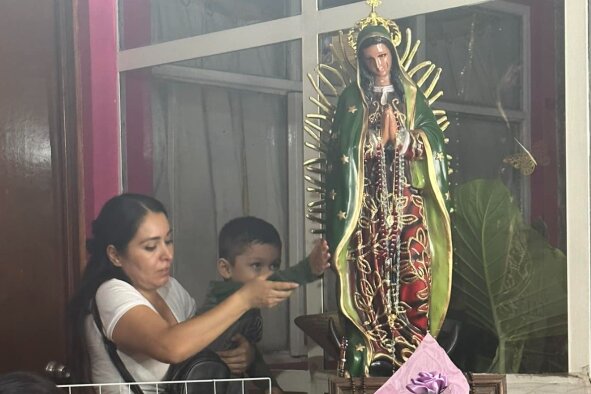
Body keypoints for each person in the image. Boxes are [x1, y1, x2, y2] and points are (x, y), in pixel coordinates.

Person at [68, 194, 299, 393]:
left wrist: (245, 355)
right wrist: (245, 297)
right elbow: (171, 346)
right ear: (115, 255)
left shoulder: (170, 287)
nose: (166, 254)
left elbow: (199, 346)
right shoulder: (110, 293)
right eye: (150, 247)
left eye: (168, 241)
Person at [325, 24, 453, 377]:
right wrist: (376, 141)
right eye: (370, 60)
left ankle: (414, 342)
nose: (379, 65)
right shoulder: (353, 101)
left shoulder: (411, 96)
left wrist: (408, 140)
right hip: (369, 207)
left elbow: (434, 142)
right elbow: (343, 152)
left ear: (393, 56)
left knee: (413, 268)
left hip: (408, 202)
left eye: (383, 56)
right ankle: (377, 342)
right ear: (362, 63)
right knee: (373, 268)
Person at [197, 216, 331, 394]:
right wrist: (307, 269)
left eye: (274, 266)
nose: (267, 275)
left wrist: (270, 386)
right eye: (256, 265)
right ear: (226, 269)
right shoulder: (223, 296)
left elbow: (250, 354)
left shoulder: (249, 307)